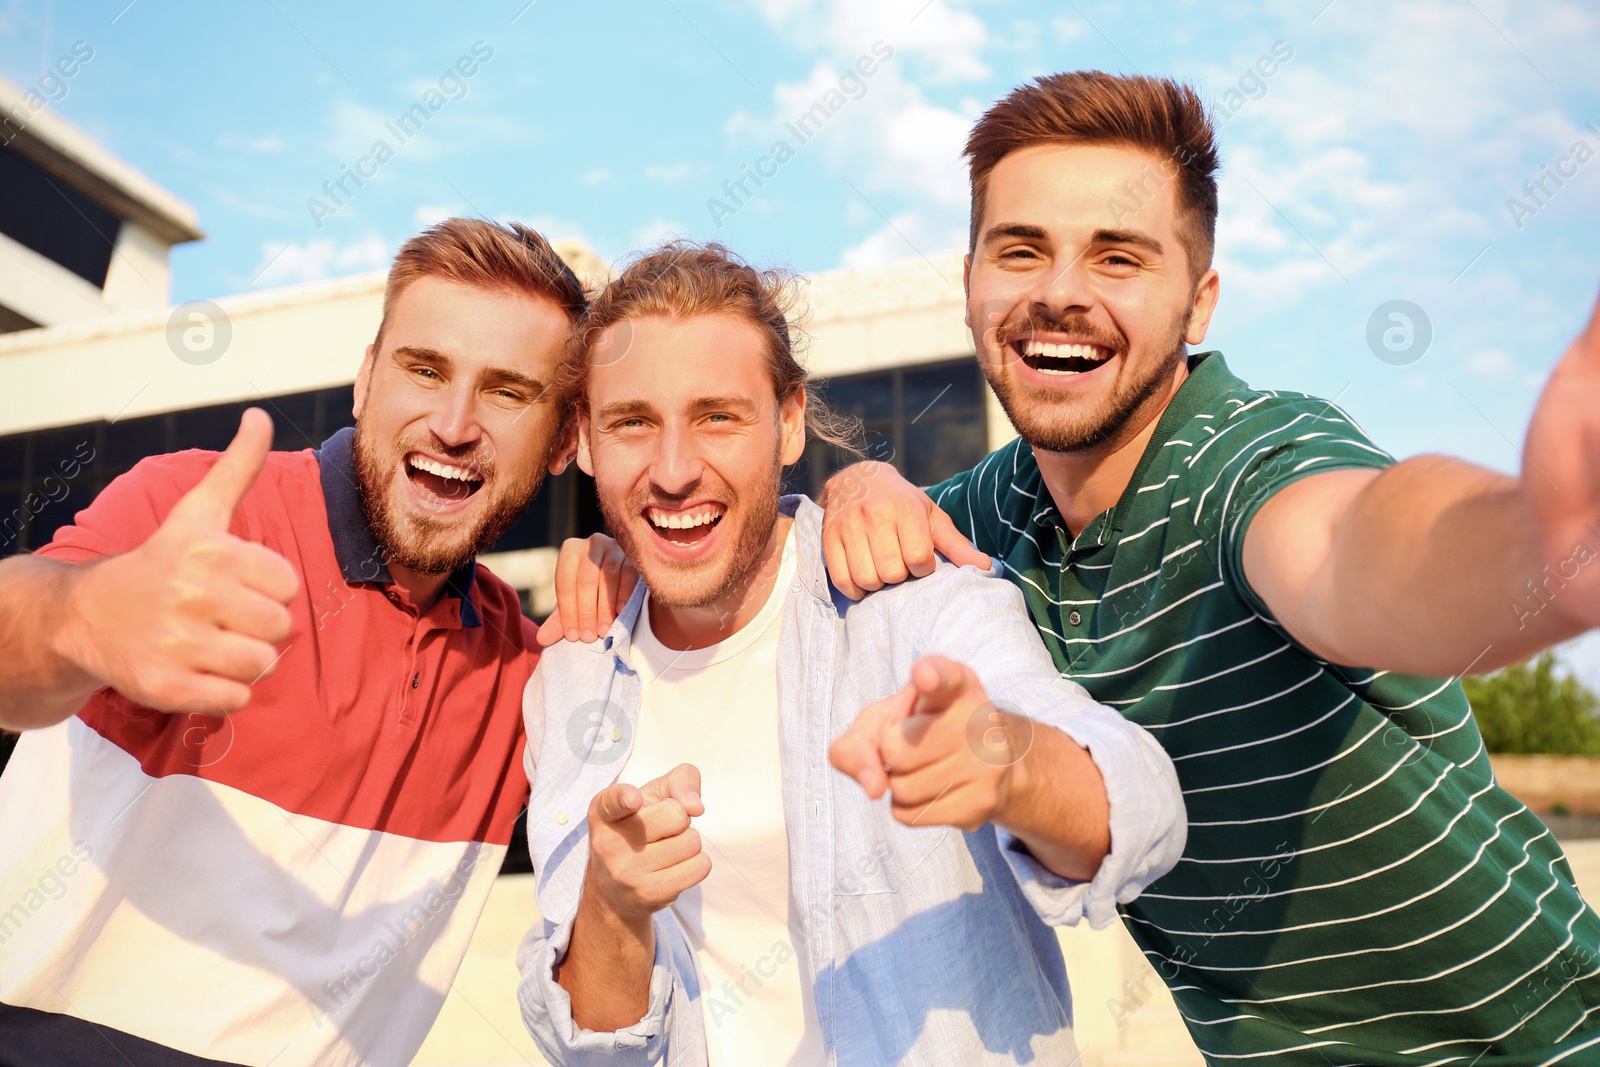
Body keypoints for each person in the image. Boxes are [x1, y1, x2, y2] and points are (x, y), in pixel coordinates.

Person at [545, 75, 1600, 1064]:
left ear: (1199, 303)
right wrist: (675, 540)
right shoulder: (985, 517)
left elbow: (1355, 544)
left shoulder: (1240, 462)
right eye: (1019, 250)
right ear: (968, 283)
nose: (1059, 294)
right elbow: (770, 534)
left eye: (1117, 256)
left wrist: (1540, 541)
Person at [515, 241, 1186, 1065]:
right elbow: (593, 1047)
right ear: (584, 440)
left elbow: (1143, 809)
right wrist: (612, 908)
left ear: (790, 420)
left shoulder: (914, 602)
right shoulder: (570, 680)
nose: (676, 470)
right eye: (633, 423)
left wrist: (1004, 764)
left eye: (718, 415)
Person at [0, 218, 584, 1067]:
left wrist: (849, 490)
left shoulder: (530, 673)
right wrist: (85, 616)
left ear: (564, 439)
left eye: (506, 392)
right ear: (364, 381)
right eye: (424, 369)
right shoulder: (195, 509)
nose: (454, 422)